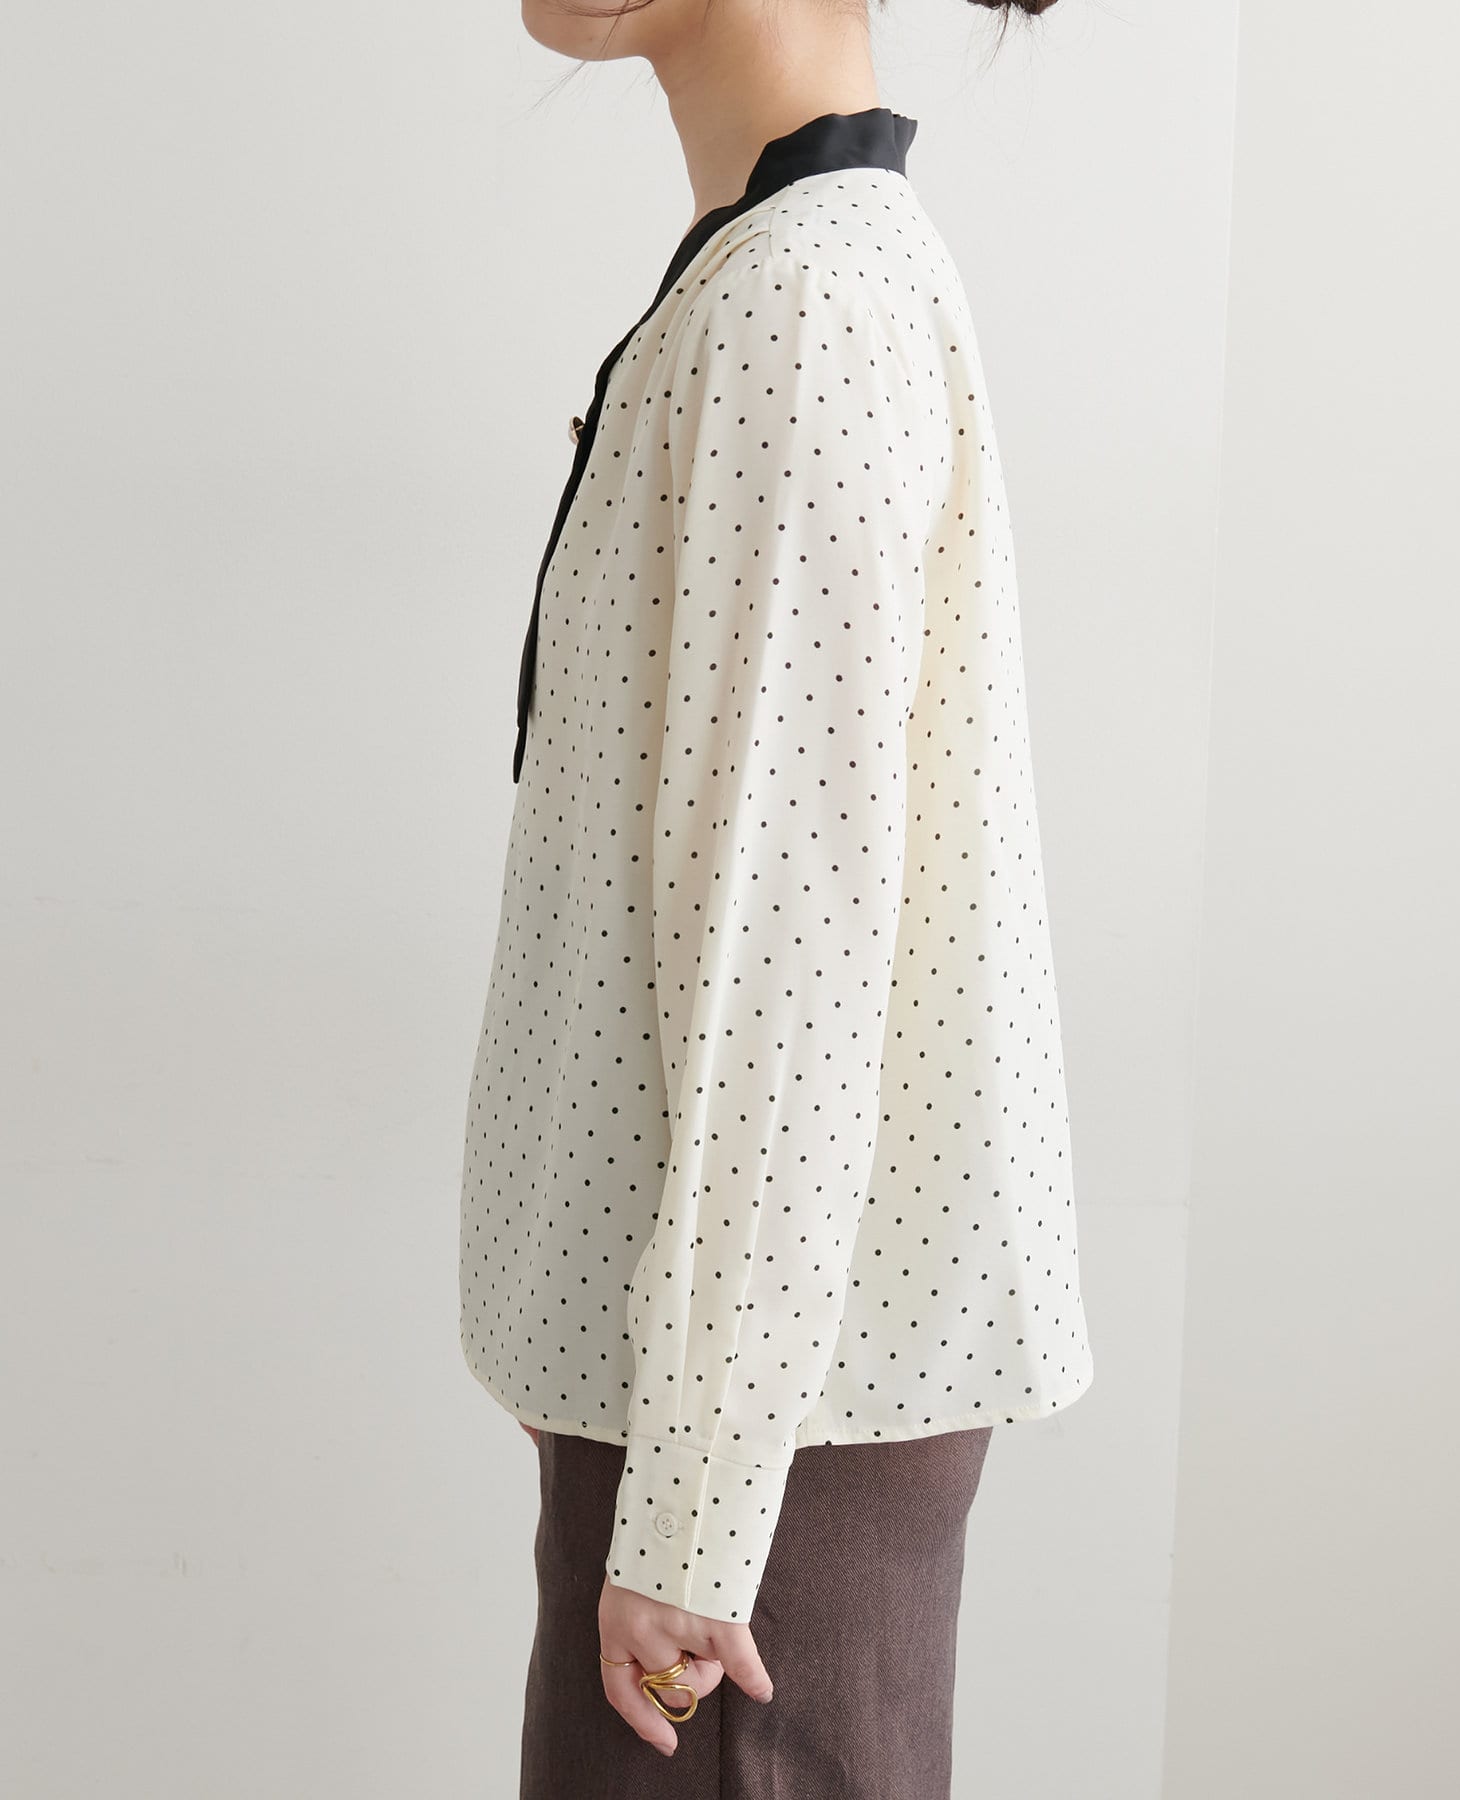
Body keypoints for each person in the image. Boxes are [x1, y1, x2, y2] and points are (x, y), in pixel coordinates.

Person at [458, 1, 1092, 1793]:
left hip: (756, 1451)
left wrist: (692, 1507)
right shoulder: (772, 274)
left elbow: (794, 959)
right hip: (727, 1416)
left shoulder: (805, 304)